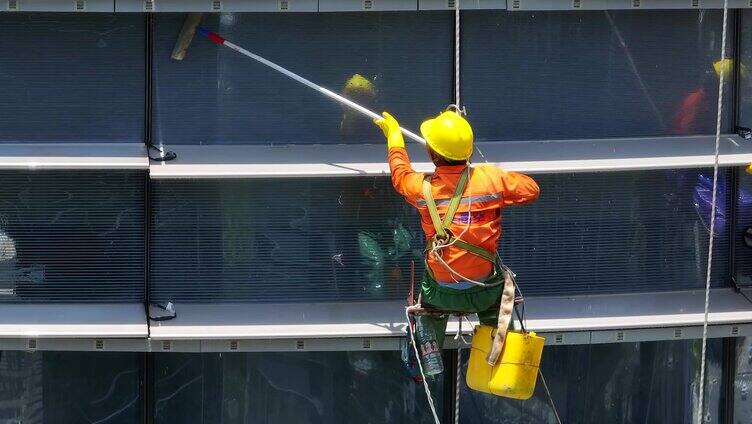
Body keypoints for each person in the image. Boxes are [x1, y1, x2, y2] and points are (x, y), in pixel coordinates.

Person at [374, 108, 540, 374]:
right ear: (468, 151)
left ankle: (426, 356)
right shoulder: (490, 180)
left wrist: (395, 136)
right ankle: (499, 356)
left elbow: (400, 175)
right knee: (496, 306)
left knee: (428, 305)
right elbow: (531, 190)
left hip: (441, 292)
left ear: (431, 153)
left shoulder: (422, 188)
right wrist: (494, 180)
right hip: (485, 290)